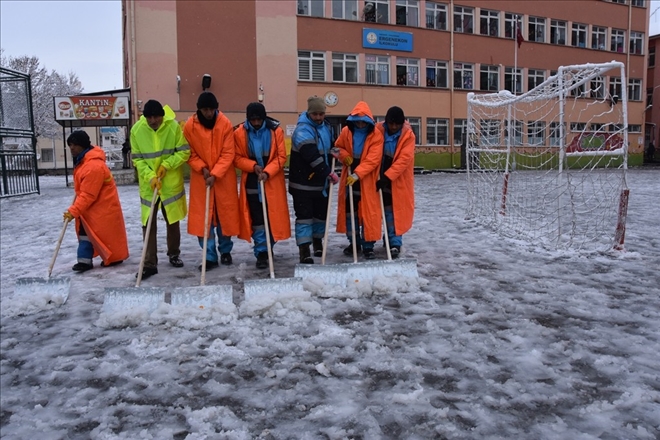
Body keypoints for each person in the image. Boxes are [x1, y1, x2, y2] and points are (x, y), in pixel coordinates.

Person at [131, 99, 190, 279]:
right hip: (150, 186)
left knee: (172, 220)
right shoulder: (137, 131)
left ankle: (174, 253)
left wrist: (167, 164)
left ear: (162, 117)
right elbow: (137, 159)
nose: (153, 120)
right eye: (149, 117)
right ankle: (149, 263)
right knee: (148, 223)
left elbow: (184, 151)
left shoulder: (173, 128)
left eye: (156, 117)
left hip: (169, 183)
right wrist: (150, 176)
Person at [184, 92, 240, 270]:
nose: (208, 113)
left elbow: (228, 153)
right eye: (205, 109)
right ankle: (208, 256)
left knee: (224, 217)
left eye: (211, 109)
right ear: (199, 109)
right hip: (202, 179)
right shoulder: (189, 126)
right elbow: (188, 152)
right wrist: (202, 168)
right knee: (204, 219)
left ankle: (225, 251)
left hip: (223, 179)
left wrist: (215, 173)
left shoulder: (225, 124)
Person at [234, 102, 290, 268]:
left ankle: (269, 247)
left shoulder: (275, 132)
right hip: (252, 182)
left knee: (272, 216)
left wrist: (267, 172)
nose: (256, 123)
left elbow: (281, 157)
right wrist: (252, 166)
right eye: (253, 120)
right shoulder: (239, 133)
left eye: (259, 119)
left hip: (271, 182)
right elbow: (236, 157)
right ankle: (261, 251)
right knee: (257, 219)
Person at [63, 130, 129, 272]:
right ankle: (84, 261)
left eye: (75, 145)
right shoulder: (84, 162)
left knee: (103, 234)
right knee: (85, 233)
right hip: (94, 208)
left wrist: (73, 211)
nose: (72, 148)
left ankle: (112, 257)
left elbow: (88, 194)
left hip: (102, 208)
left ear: (83, 145)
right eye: (70, 145)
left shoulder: (93, 166)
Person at [288, 96, 339, 264]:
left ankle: (318, 243)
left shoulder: (326, 127)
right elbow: (311, 156)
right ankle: (304, 250)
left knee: (320, 217)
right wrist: (328, 173)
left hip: (320, 184)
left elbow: (328, 148)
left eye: (321, 114)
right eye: (315, 114)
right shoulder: (302, 130)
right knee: (304, 218)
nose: (318, 117)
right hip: (303, 183)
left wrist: (334, 152)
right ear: (309, 113)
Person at [334, 101, 384, 259]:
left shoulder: (376, 135)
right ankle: (353, 242)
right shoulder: (346, 132)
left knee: (369, 213)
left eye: (363, 121)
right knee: (350, 212)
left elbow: (373, 159)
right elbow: (336, 148)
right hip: (349, 177)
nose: (360, 124)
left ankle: (368, 245)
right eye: (358, 121)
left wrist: (357, 174)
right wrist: (344, 156)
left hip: (367, 179)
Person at [374, 106, 415, 258]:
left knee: (394, 212)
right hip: (377, 178)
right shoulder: (378, 130)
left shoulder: (408, 135)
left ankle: (395, 242)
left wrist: (387, 176)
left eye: (396, 124)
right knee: (376, 210)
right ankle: (369, 241)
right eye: (391, 124)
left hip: (396, 181)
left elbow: (404, 160)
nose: (393, 127)